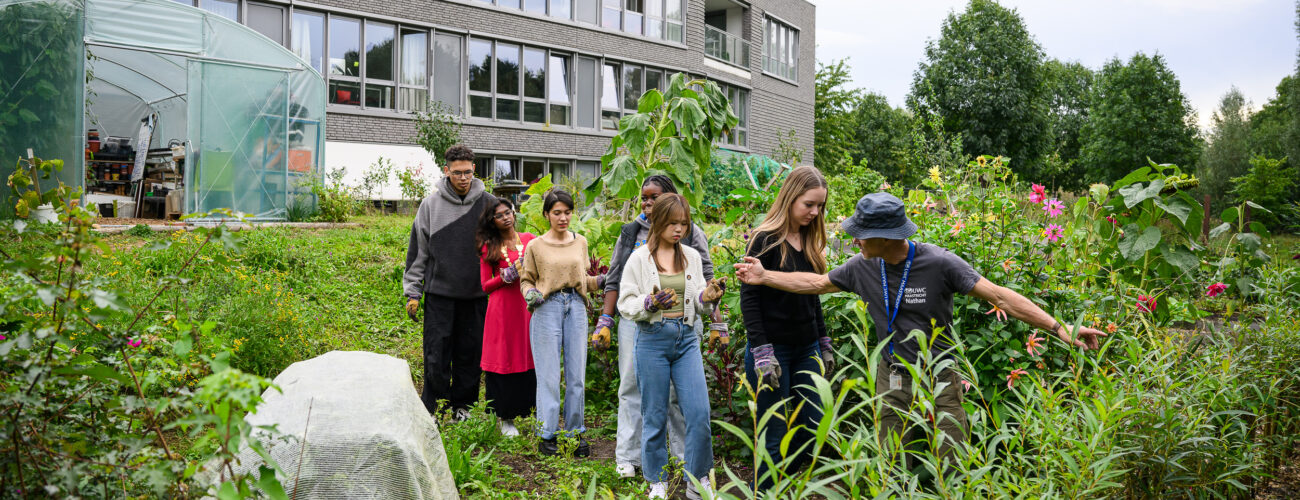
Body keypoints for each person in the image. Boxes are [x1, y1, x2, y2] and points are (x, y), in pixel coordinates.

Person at [734, 191, 1107, 468]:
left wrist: (1060, 328)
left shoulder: (940, 263)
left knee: (951, 454)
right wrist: (765, 276)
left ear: (887, 235)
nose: (854, 239)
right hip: (891, 375)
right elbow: (814, 284)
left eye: (861, 233)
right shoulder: (861, 266)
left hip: (939, 373)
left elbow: (1001, 297)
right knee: (892, 458)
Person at [592, 175, 722, 479]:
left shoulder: (690, 240)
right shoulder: (631, 235)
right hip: (641, 326)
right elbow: (615, 280)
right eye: (644, 198)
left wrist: (718, 320)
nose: (648, 203)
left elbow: (705, 282)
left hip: (684, 328)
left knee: (681, 396)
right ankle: (629, 457)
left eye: (655, 197)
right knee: (633, 388)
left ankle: (682, 457)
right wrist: (607, 319)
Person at [735, 165, 832, 490]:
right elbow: (749, 299)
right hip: (771, 350)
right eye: (809, 204)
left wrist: (823, 339)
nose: (815, 212)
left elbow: (812, 293)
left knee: (812, 425)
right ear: (790, 198)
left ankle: (788, 487)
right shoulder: (765, 240)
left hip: (807, 348)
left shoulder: (810, 238)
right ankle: (767, 492)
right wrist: (761, 351)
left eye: (820, 205)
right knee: (773, 432)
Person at [404, 144, 490, 420]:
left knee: (470, 354)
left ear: (474, 170)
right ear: (446, 171)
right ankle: (435, 406)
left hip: (476, 294)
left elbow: (505, 248)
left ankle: (462, 407)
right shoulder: (430, 205)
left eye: (467, 172)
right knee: (436, 352)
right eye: (457, 173)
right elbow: (418, 252)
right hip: (439, 293)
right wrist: (413, 292)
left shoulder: (488, 204)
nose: (463, 178)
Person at [518, 189, 604, 457]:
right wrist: (530, 294)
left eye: (567, 212)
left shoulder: (581, 242)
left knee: (577, 375)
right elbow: (527, 280)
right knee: (549, 375)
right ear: (547, 215)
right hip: (547, 308)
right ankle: (547, 433)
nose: (563, 217)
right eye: (557, 213)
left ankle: (576, 432)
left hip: (576, 307)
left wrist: (601, 281)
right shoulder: (535, 246)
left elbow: (583, 279)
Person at [477, 196, 537, 437]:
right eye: (499, 215)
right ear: (492, 221)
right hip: (502, 310)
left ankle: (529, 412)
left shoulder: (531, 240)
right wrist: (505, 276)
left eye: (508, 212)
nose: (506, 217)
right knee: (503, 358)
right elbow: (485, 285)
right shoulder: (489, 247)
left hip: (527, 306)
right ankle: (505, 418)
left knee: (528, 354)